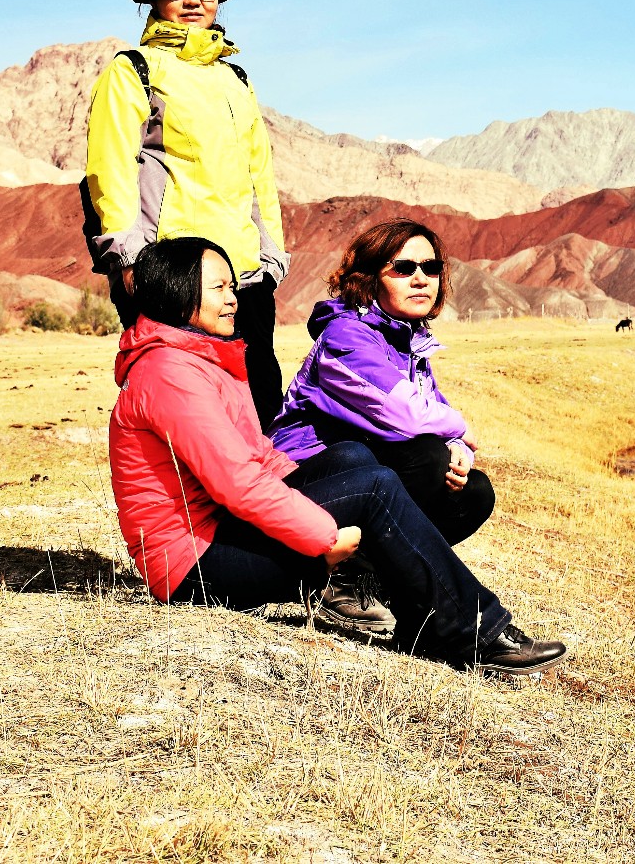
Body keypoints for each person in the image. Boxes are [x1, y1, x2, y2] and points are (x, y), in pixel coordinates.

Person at [107, 236, 566, 675]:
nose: (233, 299)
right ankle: (474, 630)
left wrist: (329, 494)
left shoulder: (199, 359)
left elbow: (258, 456)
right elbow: (239, 484)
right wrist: (325, 538)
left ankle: (420, 622)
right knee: (374, 488)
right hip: (193, 560)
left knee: (351, 460)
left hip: (222, 527)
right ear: (179, 294)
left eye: (233, 286)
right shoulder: (169, 373)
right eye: (219, 288)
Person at [82, 0, 288, 427]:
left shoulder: (236, 80)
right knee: (192, 418)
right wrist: (130, 261)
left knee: (263, 410)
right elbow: (109, 170)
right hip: (173, 276)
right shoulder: (133, 71)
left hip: (245, 277)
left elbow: (259, 176)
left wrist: (272, 258)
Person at [270, 218, 492, 544]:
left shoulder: (408, 342)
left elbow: (433, 408)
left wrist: (458, 449)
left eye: (431, 268)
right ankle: (343, 561)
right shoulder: (346, 335)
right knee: (427, 457)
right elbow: (405, 412)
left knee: (476, 492)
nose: (421, 279)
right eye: (404, 268)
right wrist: (458, 426)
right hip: (304, 476)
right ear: (370, 277)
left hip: (363, 471)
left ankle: (374, 566)